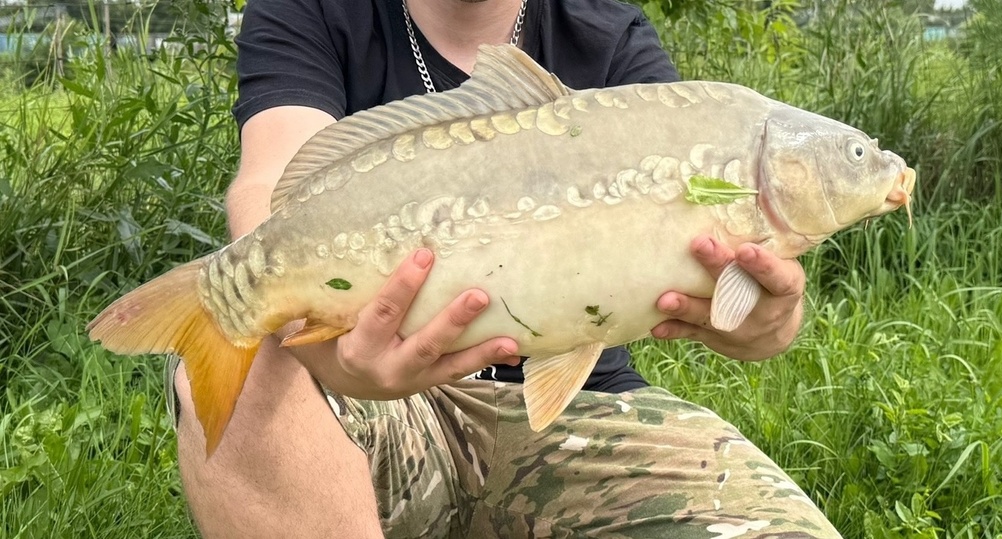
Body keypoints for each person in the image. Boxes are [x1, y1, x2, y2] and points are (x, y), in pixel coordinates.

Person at [169, 0, 842, 536]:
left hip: (585, 410)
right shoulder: (312, 8)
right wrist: (333, 360)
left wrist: (770, 319)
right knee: (240, 329)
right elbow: (269, 186)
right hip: (388, 414)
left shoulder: (609, 34)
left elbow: (749, 288)